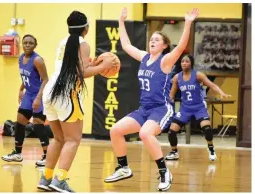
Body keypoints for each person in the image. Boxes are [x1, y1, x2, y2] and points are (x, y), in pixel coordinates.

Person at [103, 7, 199, 191]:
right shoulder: (144, 57)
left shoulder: (165, 60)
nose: (152, 41)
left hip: (161, 108)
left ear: (164, 45)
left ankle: (164, 173)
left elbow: (180, 48)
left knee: (145, 134)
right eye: (151, 39)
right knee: (115, 130)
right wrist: (121, 22)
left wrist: (187, 24)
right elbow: (126, 46)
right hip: (144, 108)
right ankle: (123, 167)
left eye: (157, 40)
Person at [37, 11, 115, 192]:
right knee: (73, 139)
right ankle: (60, 180)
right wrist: (103, 67)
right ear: (86, 28)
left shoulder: (63, 42)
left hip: (51, 90)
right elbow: (80, 73)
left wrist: (93, 65)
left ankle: (46, 178)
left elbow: (76, 68)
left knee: (59, 138)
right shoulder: (83, 44)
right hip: (66, 93)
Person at [165, 54, 231, 161]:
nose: (184, 63)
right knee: (172, 130)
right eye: (182, 61)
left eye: (186, 61)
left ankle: (211, 148)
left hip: (199, 107)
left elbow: (212, 85)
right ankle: (174, 152)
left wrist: (221, 93)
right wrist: (168, 101)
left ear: (191, 63)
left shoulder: (198, 75)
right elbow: (172, 94)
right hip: (185, 108)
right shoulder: (177, 77)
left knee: (207, 129)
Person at [1, 34, 50, 166]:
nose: (27, 45)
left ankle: (47, 156)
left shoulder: (38, 60)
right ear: (22, 44)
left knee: (38, 123)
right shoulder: (21, 58)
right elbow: (25, 77)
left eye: (30, 43)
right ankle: (17, 154)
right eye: (25, 43)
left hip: (38, 94)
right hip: (28, 94)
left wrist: (39, 98)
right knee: (20, 120)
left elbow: (46, 79)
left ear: (35, 45)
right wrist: (20, 89)